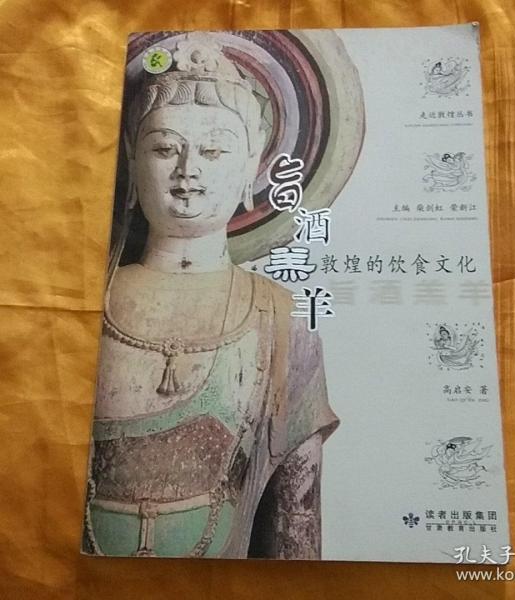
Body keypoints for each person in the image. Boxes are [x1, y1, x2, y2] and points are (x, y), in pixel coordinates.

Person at [81, 33, 339, 559]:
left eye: (214, 150)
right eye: (165, 147)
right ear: (130, 156)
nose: (188, 170)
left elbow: (296, 523)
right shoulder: (88, 300)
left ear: (251, 165)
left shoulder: (279, 318)